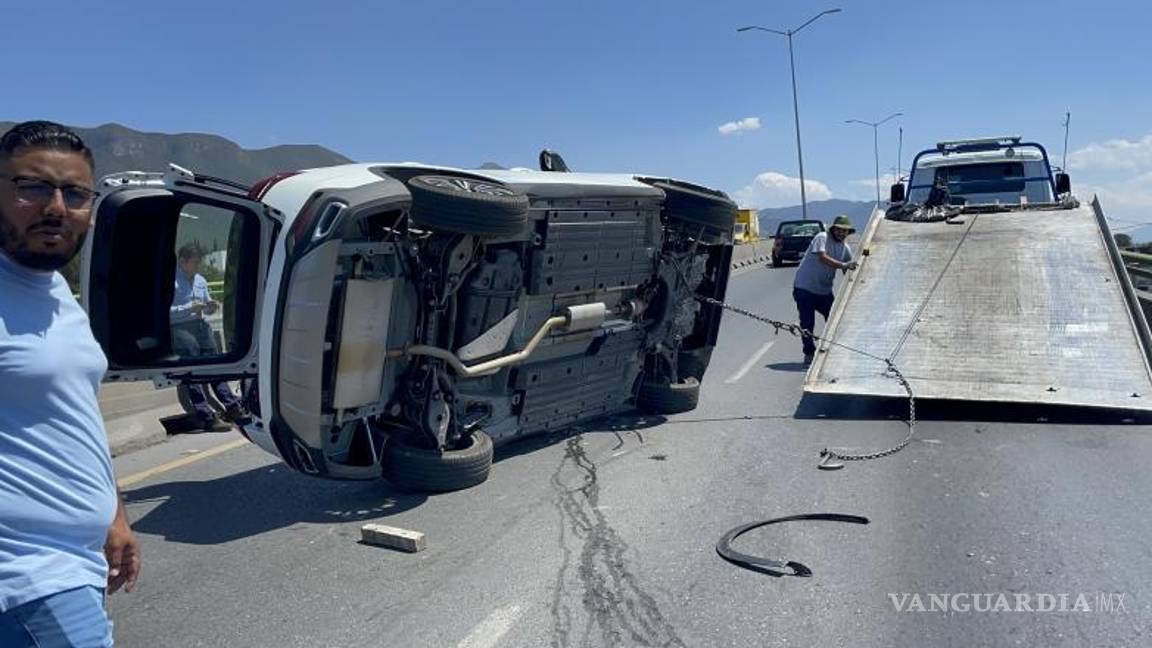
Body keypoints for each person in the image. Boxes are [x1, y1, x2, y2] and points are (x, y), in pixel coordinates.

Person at [0, 120, 140, 646]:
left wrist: (115, 513)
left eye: (75, 193)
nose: (56, 207)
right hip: (26, 577)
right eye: (32, 186)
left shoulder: (56, 290)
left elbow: (75, 416)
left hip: (78, 563)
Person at [170, 243, 248, 431]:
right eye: (194, 263)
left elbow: (206, 304)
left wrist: (211, 306)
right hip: (179, 327)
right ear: (182, 261)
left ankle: (231, 405)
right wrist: (189, 308)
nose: (197, 267)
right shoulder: (172, 282)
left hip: (200, 325)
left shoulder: (201, 281)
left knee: (215, 365)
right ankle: (206, 415)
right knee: (193, 370)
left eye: (199, 263)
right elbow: (166, 313)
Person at [792, 215, 858, 365]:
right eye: (839, 230)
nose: (841, 233)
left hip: (824, 291)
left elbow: (850, 268)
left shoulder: (845, 248)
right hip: (805, 287)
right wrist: (843, 265)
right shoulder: (822, 237)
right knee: (807, 322)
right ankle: (809, 352)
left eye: (844, 231)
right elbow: (822, 257)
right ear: (833, 229)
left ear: (848, 233)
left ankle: (833, 350)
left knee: (835, 320)